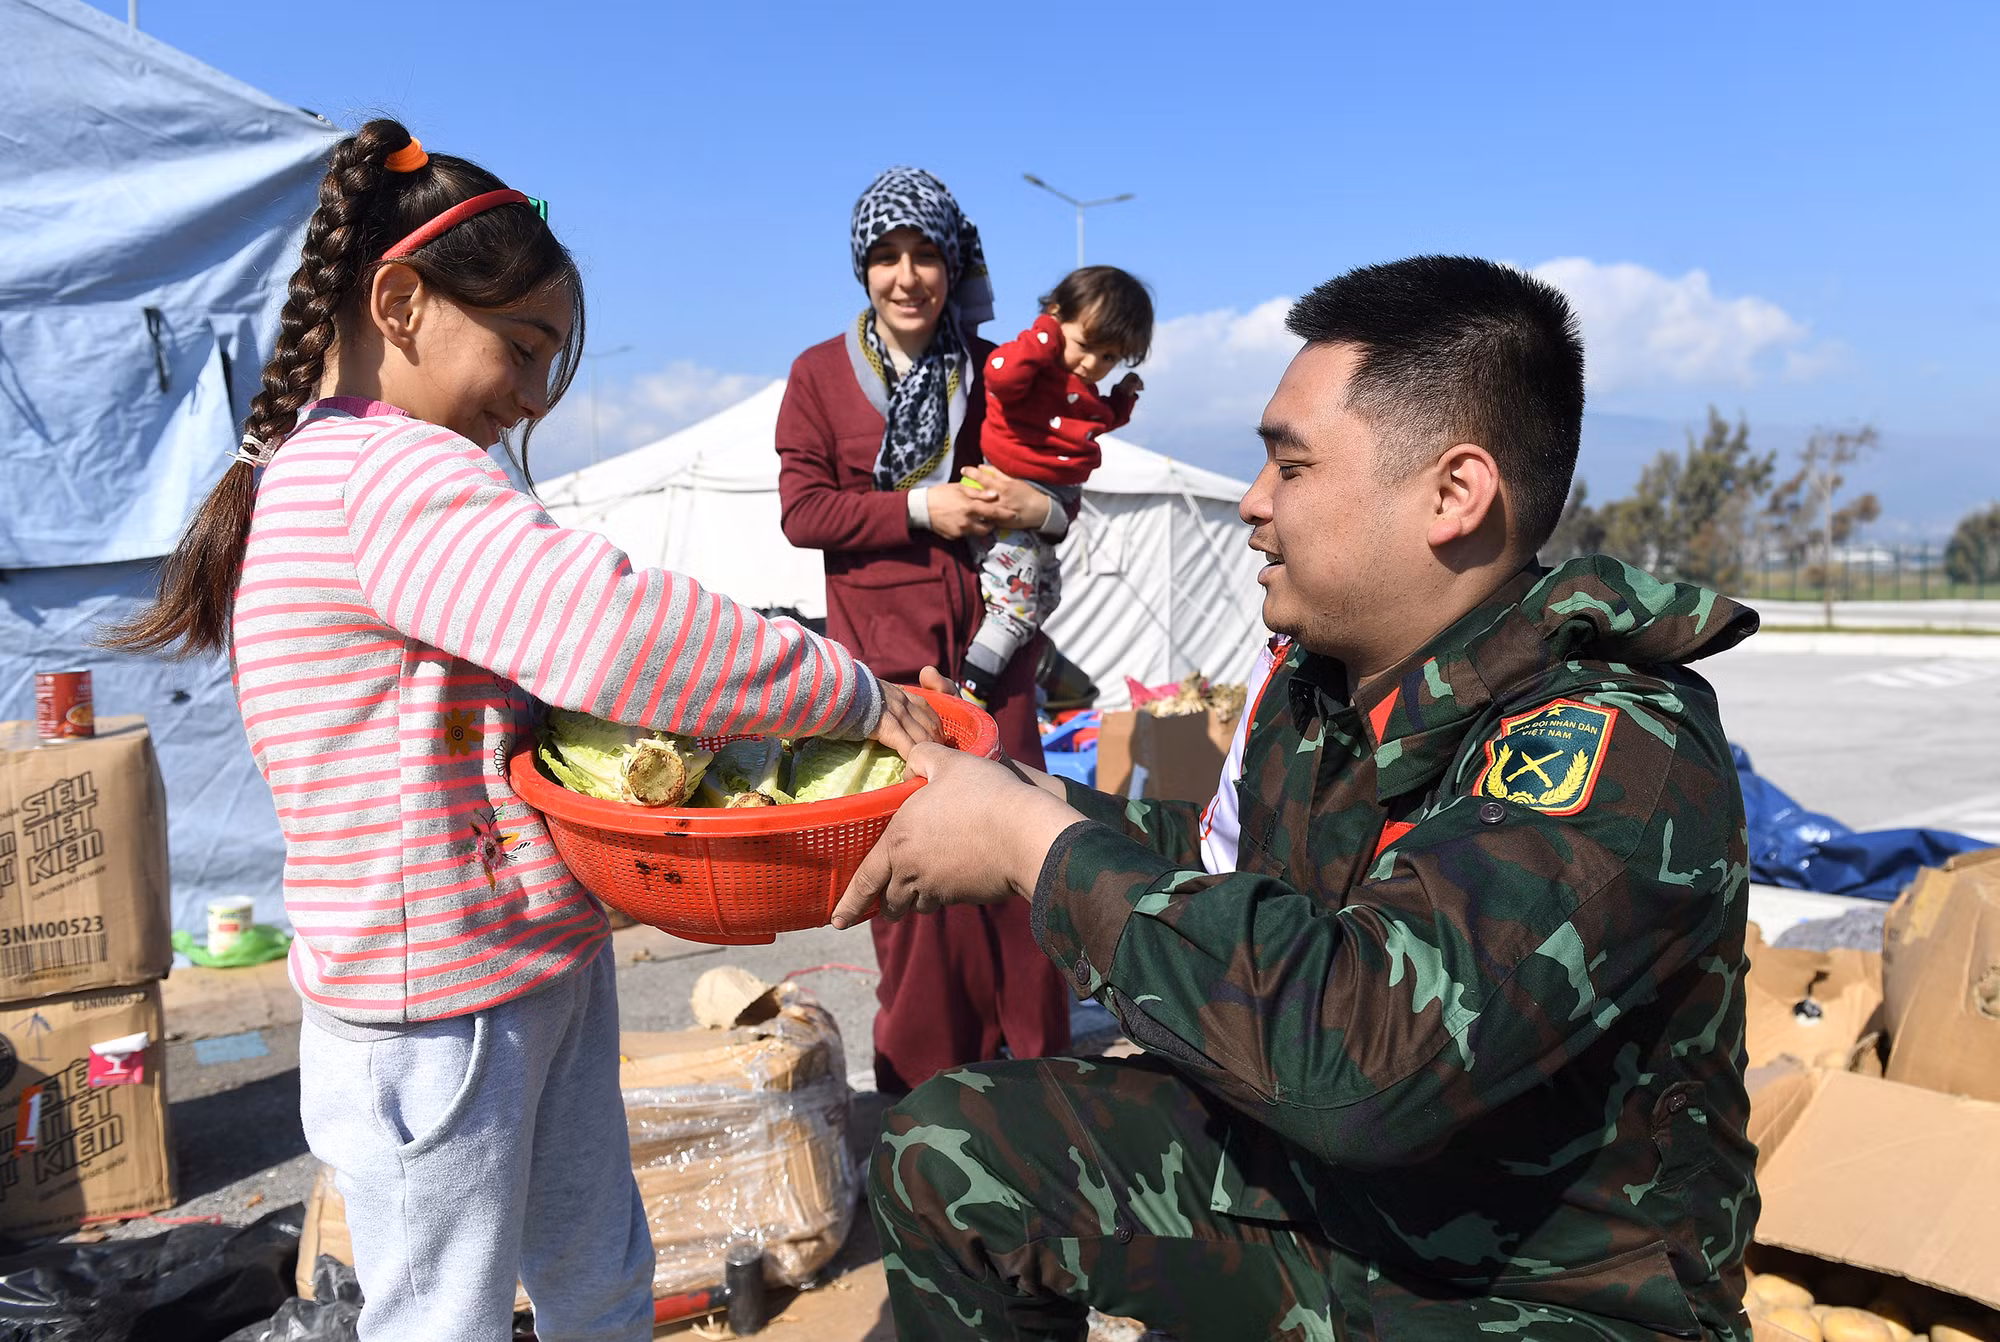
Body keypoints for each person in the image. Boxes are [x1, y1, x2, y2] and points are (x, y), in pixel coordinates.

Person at [105, 120, 937, 1342]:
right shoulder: (378, 479)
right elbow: (615, 634)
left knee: (600, 1264)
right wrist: (851, 692)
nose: (539, 393)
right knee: (441, 1311)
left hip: (525, 961)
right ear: (398, 302)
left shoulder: (369, 470)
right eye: (524, 346)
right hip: (431, 1009)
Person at [836, 256, 1763, 1340]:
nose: (1252, 502)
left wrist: (1032, 843)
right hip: (1344, 1207)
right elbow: (1232, 880)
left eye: (1290, 463)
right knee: (948, 1152)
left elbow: (1361, 1057)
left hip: (1534, 1291)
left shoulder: (1609, 746)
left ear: (1451, 494)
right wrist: (1007, 796)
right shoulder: (1321, 689)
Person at [776, 166, 1072, 1094]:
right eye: (887, 257)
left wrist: (1045, 506)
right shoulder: (820, 375)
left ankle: (1046, 1088)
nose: (907, 277)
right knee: (910, 886)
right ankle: (926, 1104)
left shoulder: (995, 372)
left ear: (952, 264)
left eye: (926, 256)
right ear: (862, 268)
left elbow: (1054, 484)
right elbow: (804, 511)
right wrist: (919, 508)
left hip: (996, 659)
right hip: (887, 670)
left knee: (1027, 863)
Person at [958, 266, 1154, 706]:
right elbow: (1001, 376)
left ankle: (1002, 667)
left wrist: (1122, 395)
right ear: (1055, 315)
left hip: (1053, 502)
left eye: (1108, 358)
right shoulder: (1032, 368)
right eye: (1085, 346)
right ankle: (972, 689)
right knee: (1015, 609)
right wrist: (1045, 332)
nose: (1092, 364)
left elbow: (1099, 419)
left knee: (1047, 595)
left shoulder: (1078, 387)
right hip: (1012, 490)